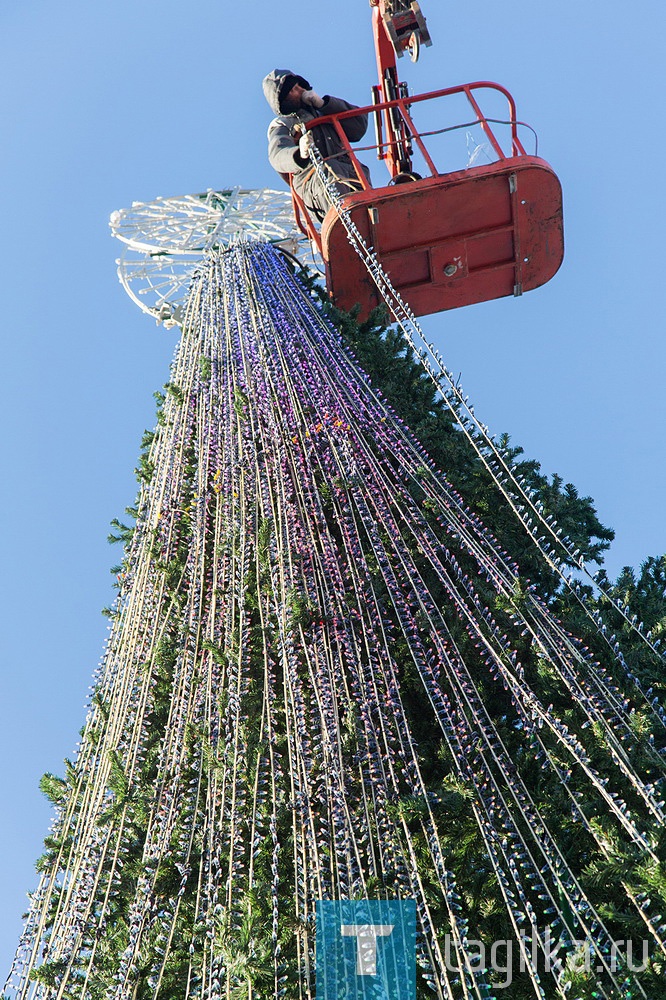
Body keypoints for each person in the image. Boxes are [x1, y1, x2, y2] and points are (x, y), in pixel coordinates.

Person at [262, 69, 370, 223]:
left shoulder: (325, 112)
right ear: (284, 101)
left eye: (299, 86)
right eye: (293, 90)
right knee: (329, 168)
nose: (300, 90)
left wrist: (324, 104)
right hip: (316, 183)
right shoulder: (283, 124)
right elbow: (277, 154)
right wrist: (300, 152)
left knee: (356, 170)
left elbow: (359, 126)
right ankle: (344, 220)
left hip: (350, 174)